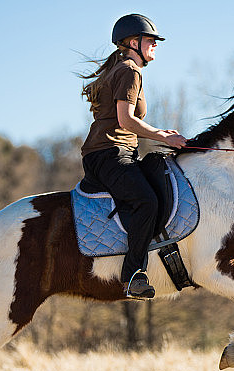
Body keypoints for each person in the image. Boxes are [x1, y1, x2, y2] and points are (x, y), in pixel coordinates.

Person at [80, 13, 187, 300]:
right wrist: (164, 137)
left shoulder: (120, 67)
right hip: (110, 153)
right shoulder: (130, 71)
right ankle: (132, 276)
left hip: (106, 153)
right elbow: (126, 120)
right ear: (132, 42)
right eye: (150, 39)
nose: (155, 44)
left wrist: (159, 131)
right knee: (146, 201)